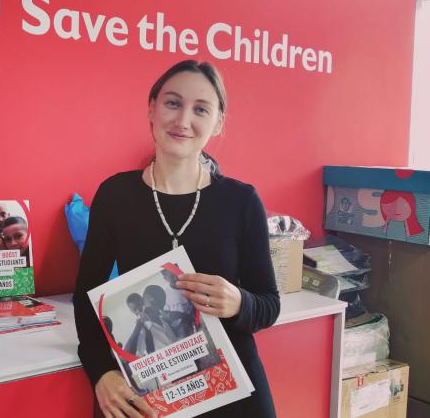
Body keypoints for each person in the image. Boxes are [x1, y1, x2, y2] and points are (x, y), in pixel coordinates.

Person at [74, 60, 280, 418]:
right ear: (151, 109)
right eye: (173, 103)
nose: (183, 120)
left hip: (230, 392)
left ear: (218, 123)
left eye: (200, 109)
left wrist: (239, 302)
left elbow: (268, 304)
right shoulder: (115, 195)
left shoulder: (241, 201)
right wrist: (101, 372)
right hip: (146, 392)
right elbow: (86, 297)